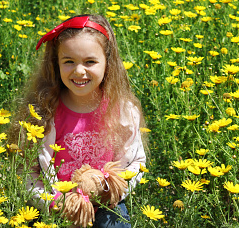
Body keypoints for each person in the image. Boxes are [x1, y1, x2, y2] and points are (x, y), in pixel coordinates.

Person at [9, 14, 146, 228]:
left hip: (106, 204)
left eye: (90, 61)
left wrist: (112, 188)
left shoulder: (123, 112)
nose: (79, 70)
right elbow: (26, 171)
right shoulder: (43, 113)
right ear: (56, 64)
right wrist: (55, 202)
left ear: (107, 63)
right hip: (55, 204)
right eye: (69, 61)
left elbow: (136, 163)